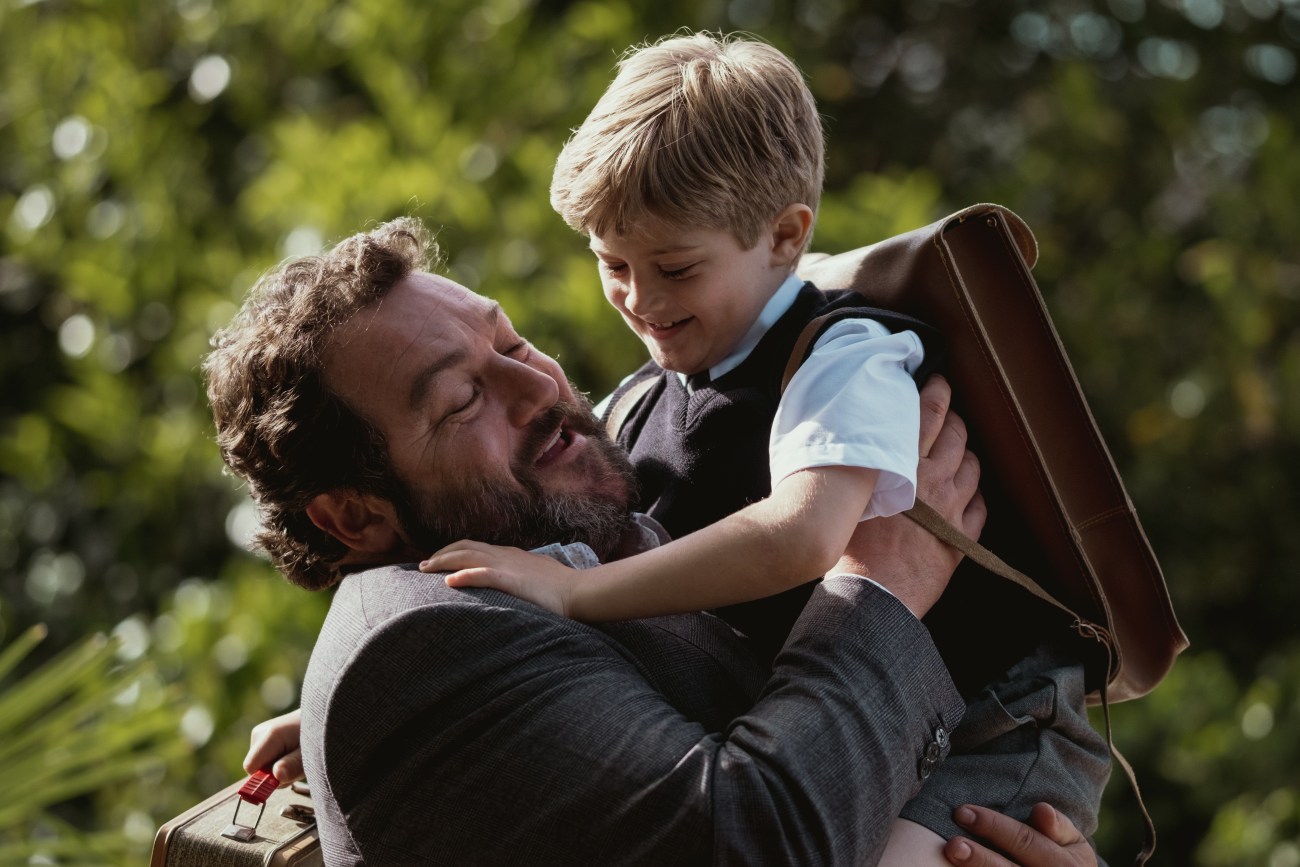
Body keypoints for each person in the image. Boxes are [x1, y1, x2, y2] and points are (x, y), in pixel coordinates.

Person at [415, 32, 1110, 864]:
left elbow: (803, 534)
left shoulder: (845, 357)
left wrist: (574, 594)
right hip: (852, 724)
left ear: (785, 236)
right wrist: (420, 698)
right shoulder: (643, 399)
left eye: (676, 268)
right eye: (613, 263)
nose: (640, 298)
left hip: (988, 723)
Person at [210, 218, 1099, 866]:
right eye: (461, 401)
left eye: (511, 339)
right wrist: (884, 584)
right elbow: (747, 843)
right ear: (356, 518)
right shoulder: (416, 645)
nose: (539, 386)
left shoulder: (562, 536)